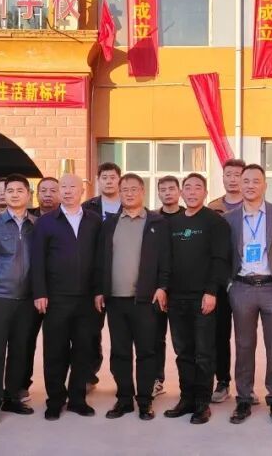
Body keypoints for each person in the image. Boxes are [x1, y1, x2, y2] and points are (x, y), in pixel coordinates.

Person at [93, 173, 171, 421]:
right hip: (115, 300)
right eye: (124, 189)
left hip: (145, 301)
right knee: (120, 352)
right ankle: (124, 399)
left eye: (133, 189)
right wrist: (99, 290)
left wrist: (163, 286)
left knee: (147, 351)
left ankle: (145, 401)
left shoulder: (157, 223)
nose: (128, 193)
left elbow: (166, 259)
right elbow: (100, 260)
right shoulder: (110, 223)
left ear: (142, 191)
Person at [225, 164, 272, 427]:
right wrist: (229, 284)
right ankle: (244, 398)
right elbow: (224, 255)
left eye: (256, 181)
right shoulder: (230, 218)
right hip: (242, 287)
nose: (250, 185)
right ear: (239, 185)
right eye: (246, 181)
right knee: (244, 346)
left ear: (265, 185)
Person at [30, 174, 103, 420]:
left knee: (83, 351)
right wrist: (40, 292)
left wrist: (99, 291)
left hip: (87, 299)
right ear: (59, 191)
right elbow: (37, 259)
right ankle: (55, 400)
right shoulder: (46, 222)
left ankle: (77, 399)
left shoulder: (94, 220)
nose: (68, 191)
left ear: (82, 191)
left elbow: (100, 259)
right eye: (64, 187)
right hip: (56, 298)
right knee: (55, 351)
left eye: (73, 187)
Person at [163, 173, 230, 425]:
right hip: (176, 298)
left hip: (203, 298)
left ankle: (202, 403)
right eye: (188, 188)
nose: (192, 192)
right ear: (182, 193)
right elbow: (165, 259)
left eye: (197, 188)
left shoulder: (215, 222)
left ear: (205, 192)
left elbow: (220, 260)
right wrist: (164, 288)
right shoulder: (173, 223)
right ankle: (186, 398)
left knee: (204, 353)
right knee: (183, 352)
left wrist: (212, 291)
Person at [0, 174, 40, 426]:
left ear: (28, 195)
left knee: (20, 350)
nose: (14, 194)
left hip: (27, 299)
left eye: (19, 190)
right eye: (9, 190)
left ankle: (13, 397)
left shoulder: (36, 224)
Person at [206, 158, 245, 403]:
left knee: (245, 337)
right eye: (228, 174)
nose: (232, 179)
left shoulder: (253, 205)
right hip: (221, 280)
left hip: (245, 279)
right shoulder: (213, 207)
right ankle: (222, 381)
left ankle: (246, 387)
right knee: (219, 334)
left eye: (237, 175)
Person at [82, 162, 123, 390]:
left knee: (120, 333)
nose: (108, 181)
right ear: (98, 181)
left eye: (112, 177)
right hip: (94, 277)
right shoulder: (87, 208)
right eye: (104, 177)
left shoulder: (129, 205)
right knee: (91, 330)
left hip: (121, 277)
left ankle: (122, 379)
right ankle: (89, 374)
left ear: (119, 180)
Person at [21, 176, 60, 401]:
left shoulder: (67, 218)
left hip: (57, 291)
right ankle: (22, 384)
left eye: (53, 190)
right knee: (26, 340)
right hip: (30, 291)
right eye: (43, 190)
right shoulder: (27, 218)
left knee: (57, 343)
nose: (47, 194)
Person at [153, 175, 185, 397]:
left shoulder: (188, 216)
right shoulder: (152, 219)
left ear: (179, 191)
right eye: (163, 189)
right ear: (158, 193)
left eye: (171, 189)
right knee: (155, 337)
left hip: (183, 288)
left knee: (182, 340)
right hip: (157, 288)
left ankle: (189, 386)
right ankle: (156, 379)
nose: (167, 193)